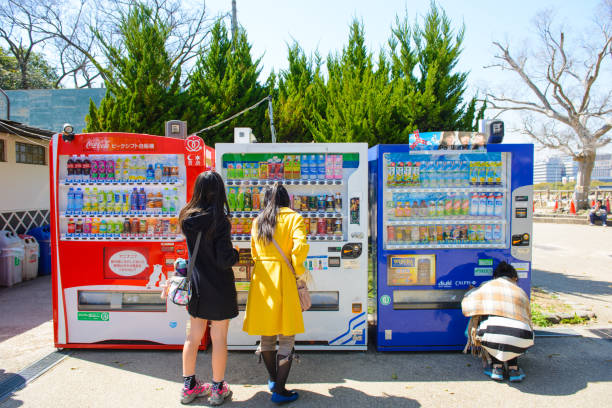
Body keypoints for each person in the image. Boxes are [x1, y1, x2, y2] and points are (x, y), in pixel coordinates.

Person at [243, 183, 310, 404]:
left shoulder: (258, 220)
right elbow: (299, 248)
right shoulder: (294, 218)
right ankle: (280, 391)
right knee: (287, 336)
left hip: (262, 279)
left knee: (267, 335)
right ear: (286, 198)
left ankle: (273, 380)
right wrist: (299, 272)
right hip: (284, 278)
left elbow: (253, 252)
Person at [177, 171, 239, 406]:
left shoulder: (187, 217)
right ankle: (216, 389)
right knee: (219, 338)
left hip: (197, 286)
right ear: (220, 191)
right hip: (220, 287)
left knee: (192, 338)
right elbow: (224, 259)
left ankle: (188, 387)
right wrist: (236, 255)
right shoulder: (220, 220)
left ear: (198, 190)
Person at [461, 261, 534, 383]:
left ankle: (496, 367)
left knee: (484, 321)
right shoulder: (520, 291)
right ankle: (513, 369)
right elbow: (528, 318)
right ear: (515, 278)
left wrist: (473, 292)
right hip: (523, 339)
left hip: (492, 337)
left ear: (495, 277)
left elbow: (467, 304)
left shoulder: (487, 285)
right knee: (514, 327)